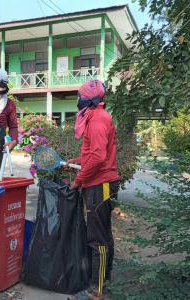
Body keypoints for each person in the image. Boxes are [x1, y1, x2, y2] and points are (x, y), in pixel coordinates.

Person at [68, 80, 120, 300]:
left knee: (97, 238)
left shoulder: (97, 119)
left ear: (89, 99)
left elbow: (98, 158)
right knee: (104, 234)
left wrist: (78, 180)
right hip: (101, 182)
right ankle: (104, 279)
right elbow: (97, 151)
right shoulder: (97, 116)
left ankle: (96, 291)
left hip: (100, 184)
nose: (78, 99)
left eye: (80, 95)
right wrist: (77, 160)